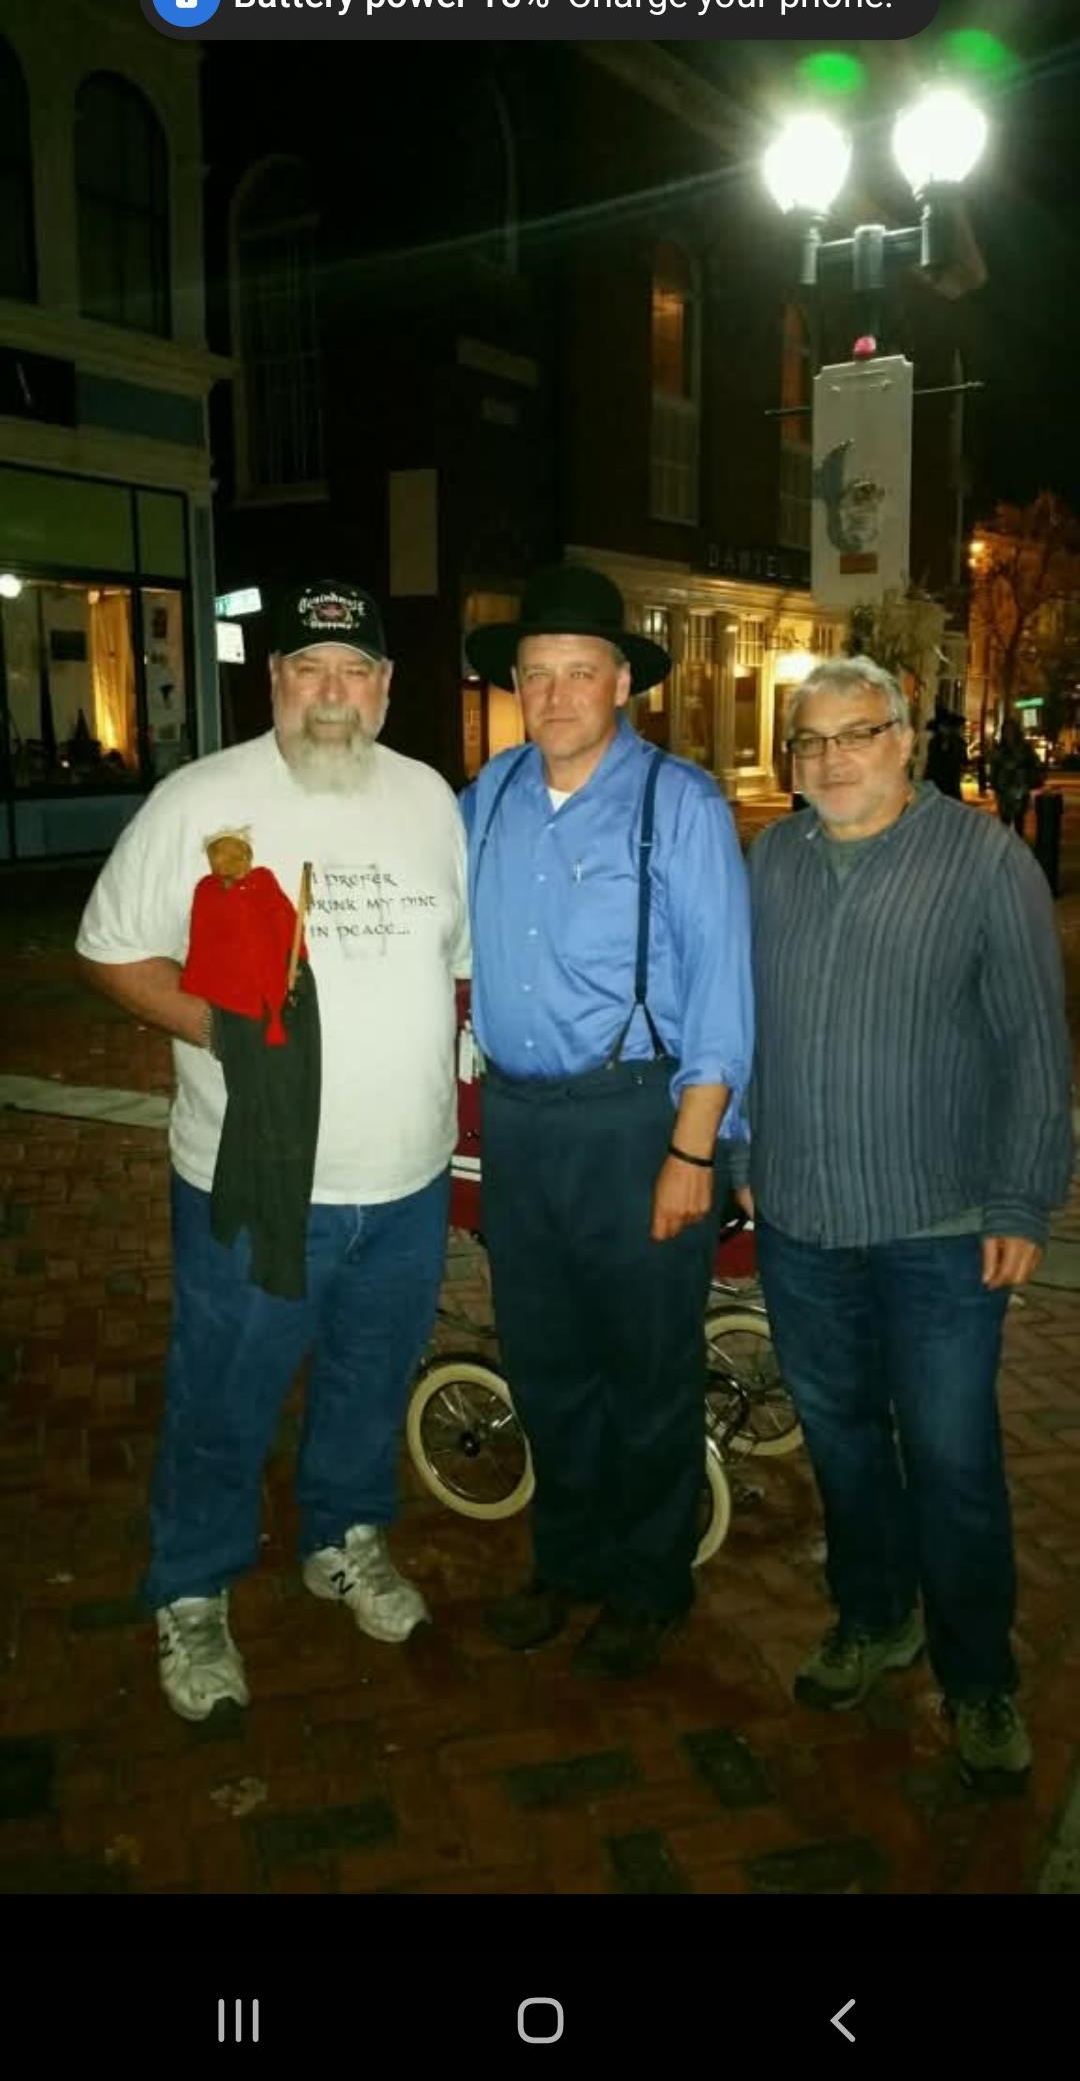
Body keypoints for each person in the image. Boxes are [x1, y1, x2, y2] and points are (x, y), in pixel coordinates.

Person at [76, 579, 469, 1722]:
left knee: (367, 1379)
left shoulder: (430, 800)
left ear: (388, 690)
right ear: (275, 683)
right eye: (309, 671)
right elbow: (109, 951)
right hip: (251, 1183)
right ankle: (191, 1590)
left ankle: (343, 1535)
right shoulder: (200, 799)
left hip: (407, 1181)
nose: (332, 697)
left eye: (355, 674)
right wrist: (224, 1031)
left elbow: (461, 962)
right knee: (225, 1393)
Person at [729, 654, 1072, 1794]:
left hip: (940, 1224)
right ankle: (874, 1619)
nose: (828, 760)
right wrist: (739, 1148)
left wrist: (1023, 1195)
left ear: (905, 742)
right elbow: (744, 1022)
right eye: (809, 743)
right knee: (839, 1442)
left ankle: (980, 1681)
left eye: (854, 735)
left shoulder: (985, 860)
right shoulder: (771, 857)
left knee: (953, 1456)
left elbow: (1033, 1043)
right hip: (801, 1217)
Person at [462, 564, 753, 1679]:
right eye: (536, 675)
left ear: (620, 683)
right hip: (523, 1125)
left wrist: (695, 1147)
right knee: (545, 1362)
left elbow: (723, 992)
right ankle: (569, 1562)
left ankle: (648, 1584)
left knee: (645, 1371)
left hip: (640, 1119)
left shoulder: (679, 804)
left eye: (578, 672)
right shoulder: (483, 798)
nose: (555, 694)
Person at [990, 715, 1043, 835]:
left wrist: (1030, 781)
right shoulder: (999, 749)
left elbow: (1035, 765)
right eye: (1006, 731)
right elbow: (994, 768)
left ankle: (1018, 845)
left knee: (1019, 820)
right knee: (1005, 822)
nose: (1009, 734)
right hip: (1004, 791)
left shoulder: (1024, 748)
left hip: (1020, 789)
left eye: (1011, 731)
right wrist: (994, 783)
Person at [923, 697, 967, 800]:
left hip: (950, 784)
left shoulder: (956, 742)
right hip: (937, 784)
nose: (943, 729)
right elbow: (932, 763)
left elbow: (961, 760)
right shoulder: (935, 742)